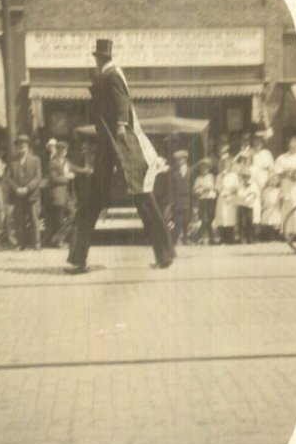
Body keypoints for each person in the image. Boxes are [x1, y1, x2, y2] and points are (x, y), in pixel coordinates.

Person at [66, 38, 173, 273]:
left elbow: (121, 100)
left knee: (142, 196)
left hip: (120, 144)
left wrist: (122, 124)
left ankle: (165, 254)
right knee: (99, 200)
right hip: (108, 145)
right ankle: (77, 258)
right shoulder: (105, 75)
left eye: (97, 58)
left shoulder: (112, 75)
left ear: (99, 59)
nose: (96, 62)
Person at [6, 134, 42, 250]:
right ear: (16, 148)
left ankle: (36, 244)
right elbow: (8, 178)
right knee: (19, 220)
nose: (21, 147)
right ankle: (21, 244)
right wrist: (16, 188)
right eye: (19, 145)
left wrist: (27, 188)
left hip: (31, 195)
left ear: (28, 146)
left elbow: (38, 177)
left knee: (34, 219)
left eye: (23, 145)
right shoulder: (12, 161)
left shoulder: (35, 160)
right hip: (18, 195)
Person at [47, 140, 77, 248]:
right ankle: (58, 242)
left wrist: (88, 170)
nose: (64, 151)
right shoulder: (53, 163)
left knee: (73, 214)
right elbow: (53, 179)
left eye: (65, 149)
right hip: (58, 194)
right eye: (61, 149)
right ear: (57, 150)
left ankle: (58, 237)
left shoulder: (66, 162)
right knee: (59, 219)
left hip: (68, 195)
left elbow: (77, 169)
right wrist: (67, 177)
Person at [275, 135, 296, 237]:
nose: (293, 145)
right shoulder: (282, 158)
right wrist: (288, 174)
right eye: (291, 143)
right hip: (286, 185)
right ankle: (288, 232)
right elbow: (278, 172)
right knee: (287, 206)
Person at [214, 151, 239, 244]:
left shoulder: (234, 175)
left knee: (230, 217)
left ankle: (230, 238)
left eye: (227, 163)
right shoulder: (219, 175)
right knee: (222, 217)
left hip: (231, 198)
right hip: (222, 198)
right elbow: (217, 186)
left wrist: (229, 192)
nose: (225, 165)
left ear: (230, 164)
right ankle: (222, 238)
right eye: (223, 163)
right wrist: (220, 190)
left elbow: (236, 187)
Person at [169, 149, 192, 245]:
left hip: (188, 198)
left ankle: (186, 238)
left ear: (185, 159)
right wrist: (172, 201)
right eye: (177, 160)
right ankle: (176, 238)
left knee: (187, 219)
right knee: (177, 220)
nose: (178, 161)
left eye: (180, 159)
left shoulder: (191, 170)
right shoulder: (173, 172)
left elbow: (193, 184)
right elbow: (171, 188)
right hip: (178, 198)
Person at [193, 158, 218, 245]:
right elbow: (195, 190)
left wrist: (211, 188)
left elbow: (215, 187)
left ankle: (211, 238)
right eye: (202, 168)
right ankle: (200, 238)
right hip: (203, 200)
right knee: (203, 219)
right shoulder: (198, 179)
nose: (204, 170)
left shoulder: (211, 177)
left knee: (210, 218)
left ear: (208, 168)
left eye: (206, 168)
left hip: (210, 199)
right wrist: (202, 190)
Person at [236, 166, 261, 244]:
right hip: (242, 206)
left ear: (249, 177)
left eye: (246, 176)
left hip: (250, 206)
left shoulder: (253, 185)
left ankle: (252, 238)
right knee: (242, 222)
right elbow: (239, 195)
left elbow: (254, 194)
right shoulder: (240, 185)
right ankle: (243, 238)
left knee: (250, 221)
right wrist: (247, 195)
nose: (245, 178)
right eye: (243, 177)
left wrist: (247, 196)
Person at [261, 170, 282, 240]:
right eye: (271, 180)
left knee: (276, 222)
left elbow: (279, 199)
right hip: (268, 207)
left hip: (276, 208)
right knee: (268, 222)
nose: (273, 182)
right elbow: (264, 198)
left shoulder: (278, 190)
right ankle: (268, 236)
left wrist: (279, 204)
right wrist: (264, 205)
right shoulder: (266, 190)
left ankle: (275, 236)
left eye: (275, 180)